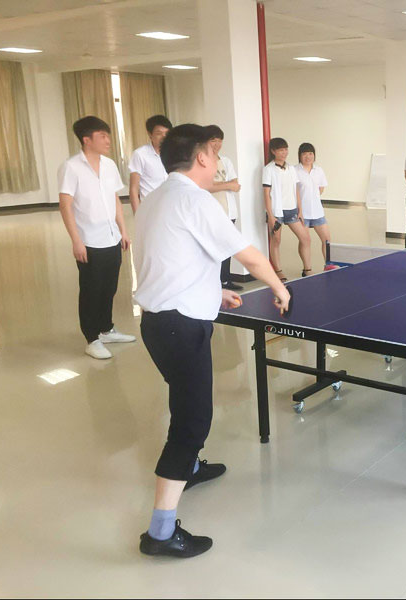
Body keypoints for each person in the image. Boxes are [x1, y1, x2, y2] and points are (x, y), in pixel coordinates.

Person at [133, 124, 290, 559]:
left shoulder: (156, 198)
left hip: (159, 323)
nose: (218, 161)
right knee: (192, 422)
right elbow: (250, 257)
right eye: (214, 153)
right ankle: (160, 533)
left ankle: (190, 467)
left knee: (184, 400)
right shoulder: (196, 199)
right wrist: (280, 288)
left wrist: (212, 290)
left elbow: (165, 258)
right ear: (201, 157)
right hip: (181, 327)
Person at [58, 116, 135, 360]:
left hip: (111, 236)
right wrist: (76, 240)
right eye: (102, 136)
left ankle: (106, 329)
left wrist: (123, 230)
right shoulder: (71, 167)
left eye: (108, 135)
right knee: (91, 290)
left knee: (109, 287)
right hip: (89, 240)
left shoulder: (110, 165)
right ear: (86, 139)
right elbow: (65, 205)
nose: (108, 140)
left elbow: (115, 199)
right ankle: (91, 339)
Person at [262, 138, 312, 280]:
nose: (284, 153)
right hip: (276, 212)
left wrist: (300, 210)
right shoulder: (268, 169)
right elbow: (266, 194)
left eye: (285, 149)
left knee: (305, 238)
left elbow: (296, 190)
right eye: (281, 150)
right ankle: (278, 271)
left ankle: (307, 269)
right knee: (276, 240)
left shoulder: (291, 168)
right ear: (273, 151)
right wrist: (270, 216)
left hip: (292, 210)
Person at [203, 124, 243, 291]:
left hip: (229, 211)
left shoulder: (226, 161)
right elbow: (206, 186)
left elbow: (236, 185)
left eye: (220, 141)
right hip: (213, 212)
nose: (217, 144)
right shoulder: (202, 161)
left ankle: (225, 280)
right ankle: (213, 282)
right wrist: (226, 185)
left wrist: (220, 185)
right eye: (213, 140)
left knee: (227, 246)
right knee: (213, 248)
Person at [294, 142, 330, 266]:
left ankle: (328, 265)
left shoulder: (318, 170)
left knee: (327, 240)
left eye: (310, 153)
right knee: (305, 241)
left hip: (318, 212)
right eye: (304, 154)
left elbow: (321, 188)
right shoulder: (294, 170)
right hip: (301, 213)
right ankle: (307, 268)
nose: (308, 156)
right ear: (299, 155)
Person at [128, 114, 172, 214]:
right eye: (159, 133)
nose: (164, 137)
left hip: (171, 207)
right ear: (150, 134)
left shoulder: (173, 154)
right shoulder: (140, 154)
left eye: (167, 133)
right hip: (150, 210)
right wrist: (138, 216)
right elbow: (133, 189)